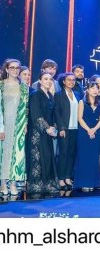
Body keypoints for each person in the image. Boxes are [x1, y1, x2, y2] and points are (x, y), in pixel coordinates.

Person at [0, 59, 29, 196]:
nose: (15, 70)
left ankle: (13, 182)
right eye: (12, 67)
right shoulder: (1, 85)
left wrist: (25, 124)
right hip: (4, 124)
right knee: (4, 153)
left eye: (17, 68)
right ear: (6, 69)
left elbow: (26, 107)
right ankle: (3, 183)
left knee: (16, 154)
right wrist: (1, 128)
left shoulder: (23, 86)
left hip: (18, 124)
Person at [27, 72, 58, 194]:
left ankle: (47, 183)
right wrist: (46, 128)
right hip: (37, 132)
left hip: (48, 132)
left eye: (50, 79)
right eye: (45, 79)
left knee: (48, 157)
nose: (48, 81)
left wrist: (53, 127)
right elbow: (36, 114)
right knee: (38, 158)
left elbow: (53, 114)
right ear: (40, 81)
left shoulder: (50, 95)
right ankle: (36, 184)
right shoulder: (35, 95)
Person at [74, 82, 100, 191]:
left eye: (97, 88)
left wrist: (94, 129)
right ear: (87, 90)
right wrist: (88, 130)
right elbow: (80, 118)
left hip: (96, 133)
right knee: (84, 157)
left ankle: (93, 183)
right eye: (92, 88)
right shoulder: (82, 102)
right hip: (84, 132)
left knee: (93, 158)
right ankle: (83, 183)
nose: (95, 90)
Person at [54, 73, 80, 190]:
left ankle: (68, 177)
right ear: (63, 81)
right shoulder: (58, 95)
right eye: (69, 80)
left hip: (76, 129)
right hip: (65, 129)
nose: (71, 82)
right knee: (63, 154)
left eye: (73, 80)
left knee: (71, 154)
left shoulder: (78, 94)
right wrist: (61, 128)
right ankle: (61, 178)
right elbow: (57, 113)